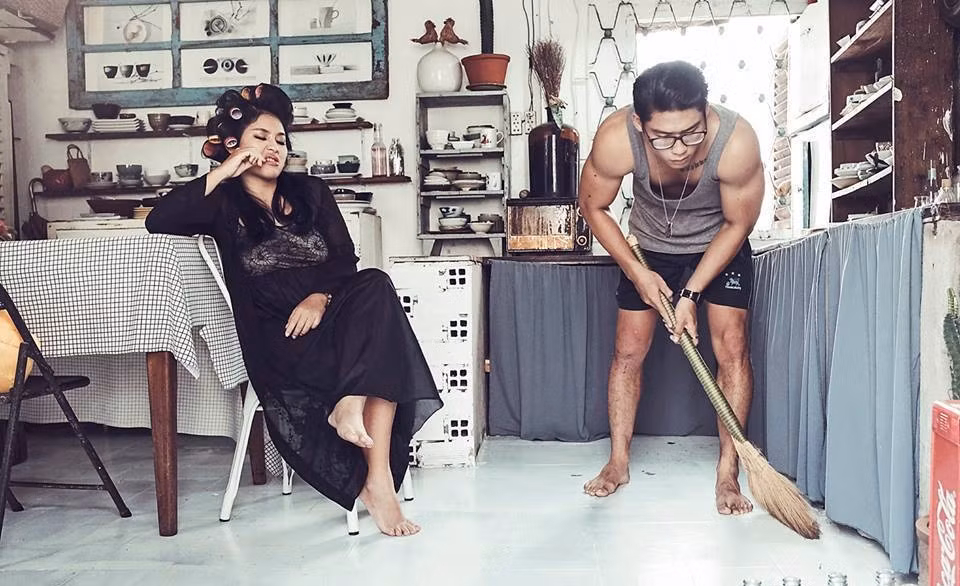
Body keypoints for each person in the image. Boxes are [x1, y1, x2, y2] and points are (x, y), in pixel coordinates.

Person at [146, 84, 442, 536]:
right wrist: (226, 171)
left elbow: (344, 261)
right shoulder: (221, 204)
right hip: (279, 339)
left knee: (376, 285)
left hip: (330, 322)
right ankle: (375, 473)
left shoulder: (311, 192)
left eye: (281, 140)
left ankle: (365, 445)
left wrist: (319, 297)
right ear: (234, 145)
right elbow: (158, 219)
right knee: (382, 343)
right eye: (261, 137)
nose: (274, 148)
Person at [578, 61, 764, 515]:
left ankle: (728, 472)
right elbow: (593, 206)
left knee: (732, 345)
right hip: (649, 248)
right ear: (639, 123)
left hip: (717, 243)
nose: (679, 149)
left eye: (691, 133)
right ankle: (618, 462)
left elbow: (739, 223)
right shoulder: (616, 139)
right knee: (627, 349)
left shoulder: (736, 142)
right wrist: (636, 272)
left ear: (706, 113)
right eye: (663, 138)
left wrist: (691, 294)